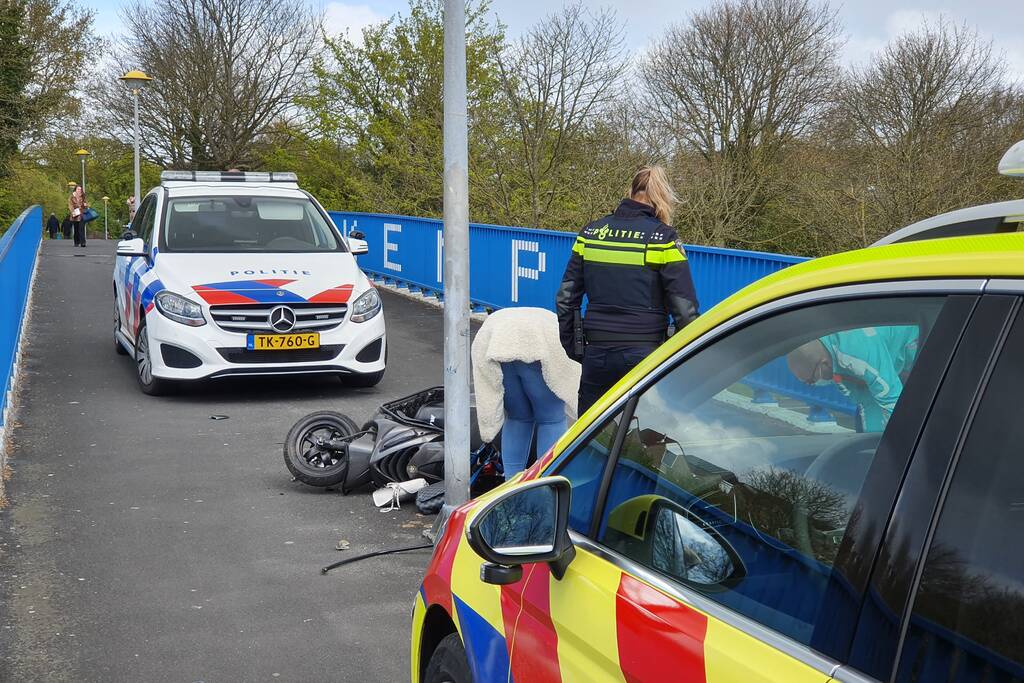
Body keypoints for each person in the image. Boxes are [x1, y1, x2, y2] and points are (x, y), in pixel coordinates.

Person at [556, 166, 700, 414]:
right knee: (641, 430)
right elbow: (685, 311)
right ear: (662, 197)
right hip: (645, 354)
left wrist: (575, 346)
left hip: (596, 353)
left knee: (591, 429)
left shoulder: (591, 233)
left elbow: (566, 297)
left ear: (630, 192)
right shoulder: (663, 238)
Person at [472, 307, 581, 477]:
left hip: (499, 341)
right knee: (551, 419)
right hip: (537, 342)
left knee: (517, 418)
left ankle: (510, 482)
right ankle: (545, 482)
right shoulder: (549, 320)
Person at [786, 325, 920, 432]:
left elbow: (891, 398)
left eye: (811, 380)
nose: (813, 385)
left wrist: (897, 443)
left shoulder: (856, 355)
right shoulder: (832, 363)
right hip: (891, 364)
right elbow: (865, 400)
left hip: (915, 346)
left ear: (824, 364)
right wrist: (873, 444)